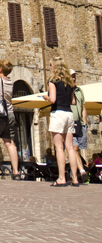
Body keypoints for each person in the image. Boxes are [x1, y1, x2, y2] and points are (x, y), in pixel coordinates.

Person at [43, 54, 79, 187]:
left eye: (50, 65)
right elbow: (73, 101)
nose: (49, 67)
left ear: (55, 67)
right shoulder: (69, 82)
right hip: (69, 114)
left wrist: (46, 97)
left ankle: (62, 178)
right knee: (70, 148)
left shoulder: (53, 80)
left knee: (59, 147)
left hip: (58, 113)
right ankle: (75, 178)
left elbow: (52, 99)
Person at [71, 69, 88, 181]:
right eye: (72, 76)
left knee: (79, 148)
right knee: (75, 148)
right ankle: (81, 171)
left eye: (75, 76)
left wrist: (85, 122)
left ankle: (74, 173)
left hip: (80, 123)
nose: (74, 78)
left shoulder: (79, 91)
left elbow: (83, 107)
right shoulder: (65, 91)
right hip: (70, 123)